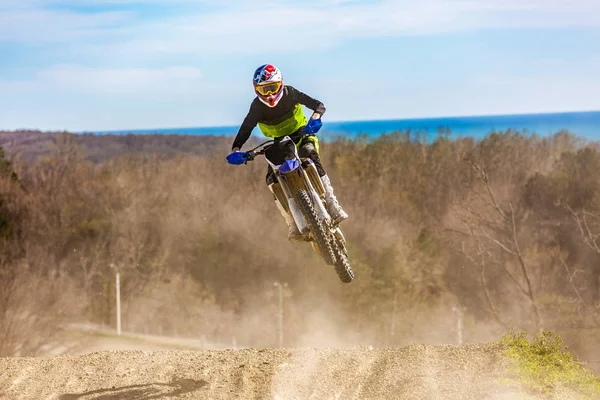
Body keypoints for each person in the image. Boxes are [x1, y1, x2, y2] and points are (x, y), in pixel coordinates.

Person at [230, 64, 348, 241]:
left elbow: (318, 105)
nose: (269, 94)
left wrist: (315, 119)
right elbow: (246, 128)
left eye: (273, 87)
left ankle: (332, 202)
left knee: (310, 154)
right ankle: (291, 222)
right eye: (265, 89)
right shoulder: (256, 107)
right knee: (271, 179)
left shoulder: (290, 93)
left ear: (281, 84)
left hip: (302, 135)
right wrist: (236, 150)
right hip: (278, 145)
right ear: (257, 90)